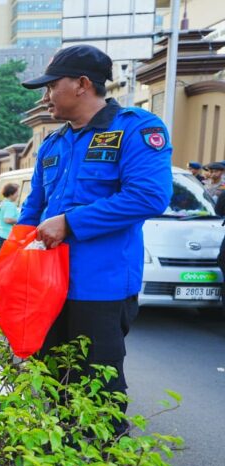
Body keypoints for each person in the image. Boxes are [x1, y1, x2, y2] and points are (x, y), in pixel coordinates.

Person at [18, 44, 172, 435]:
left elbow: (148, 195)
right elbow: (33, 209)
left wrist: (70, 223)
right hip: (49, 286)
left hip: (100, 288)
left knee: (99, 389)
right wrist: (16, 260)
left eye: (52, 86)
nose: (46, 96)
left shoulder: (137, 129)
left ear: (82, 84)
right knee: (54, 382)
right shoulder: (52, 144)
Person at [0, 183, 20, 255]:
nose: (18, 195)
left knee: (2, 258)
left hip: (0, 235)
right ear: (11, 194)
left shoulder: (3, 203)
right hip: (7, 236)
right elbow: (7, 219)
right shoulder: (10, 205)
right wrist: (20, 221)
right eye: (17, 192)